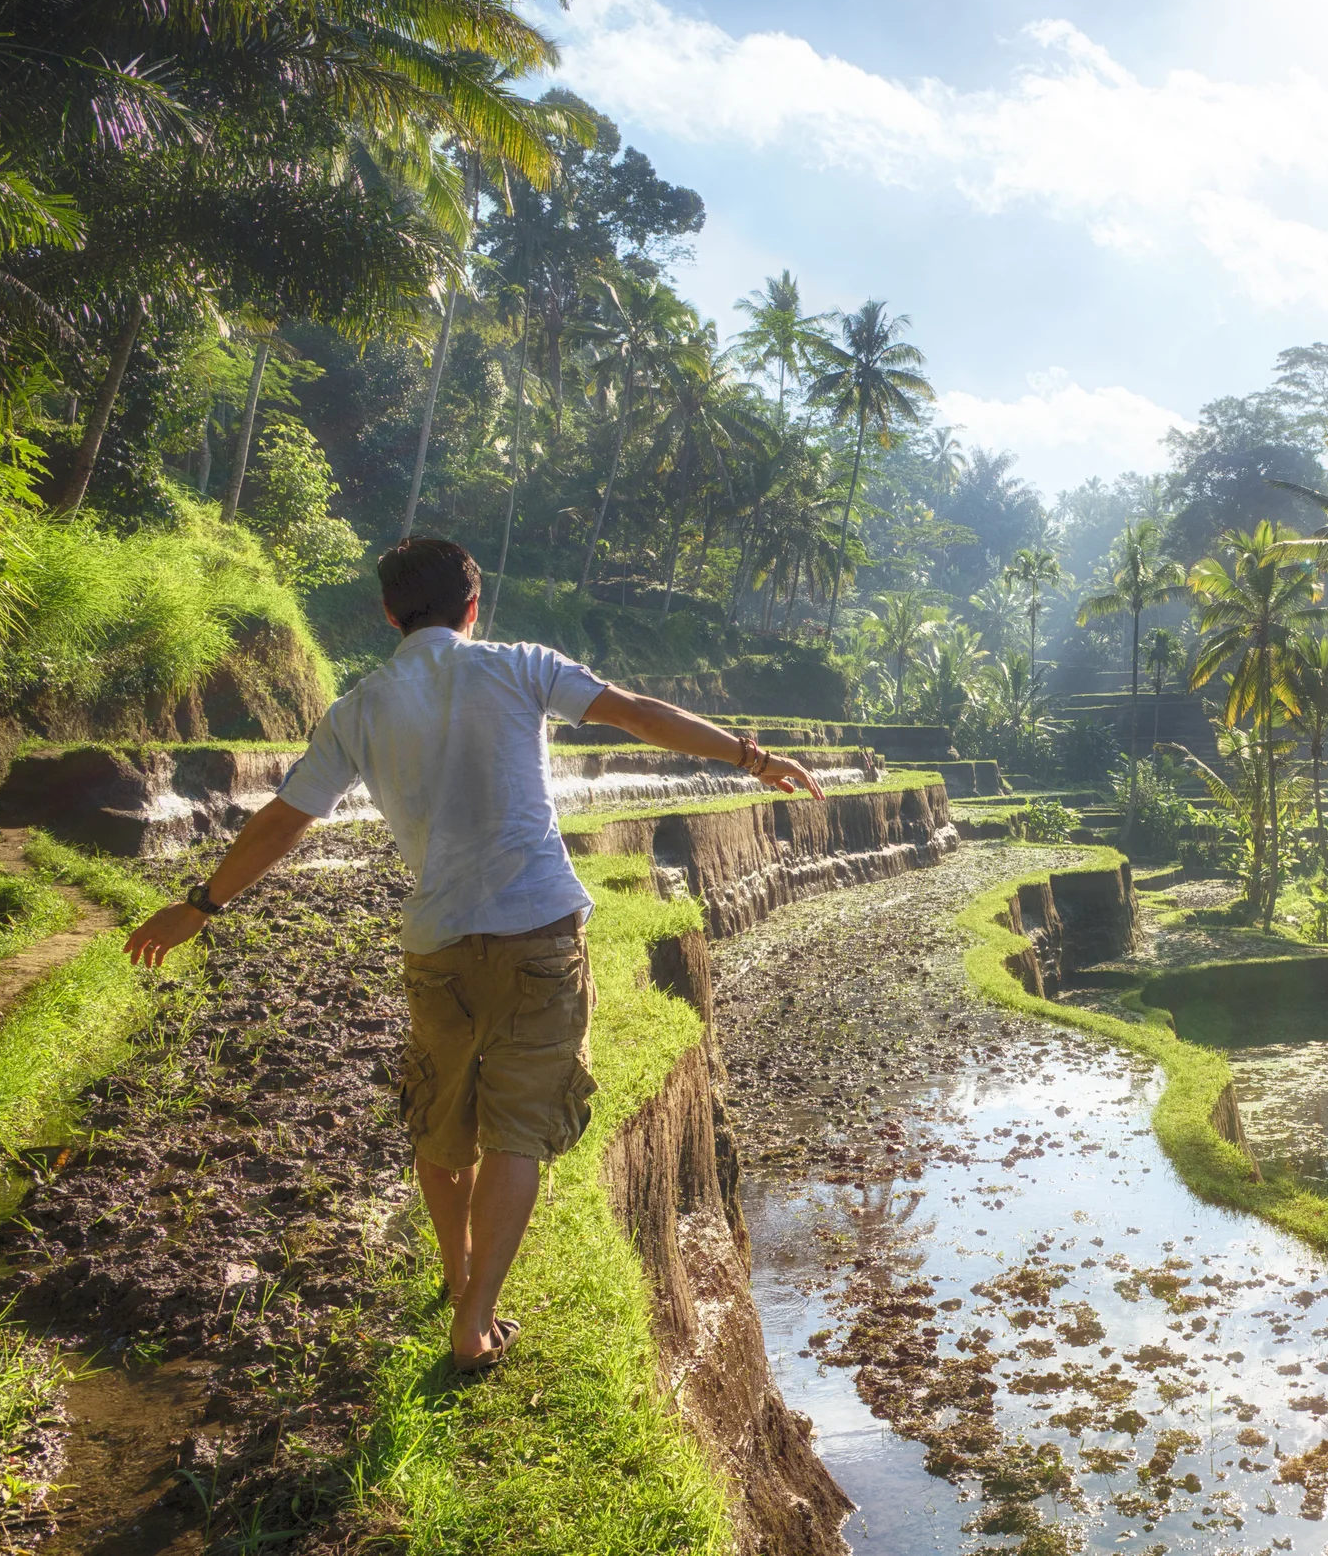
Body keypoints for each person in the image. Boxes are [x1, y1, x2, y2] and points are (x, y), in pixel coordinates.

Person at [124, 537, 823, 1373]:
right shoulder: (520, 666)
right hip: (542, 934)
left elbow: (283, 820)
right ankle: (477, 1316)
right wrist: (753, 758)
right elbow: (637, 711)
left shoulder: (359, 708)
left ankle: (457, 1278)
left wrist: (200, 905)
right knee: (518, 1133)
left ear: (389, 614)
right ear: (472, 605)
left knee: (442, 1123)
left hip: (437, 947)